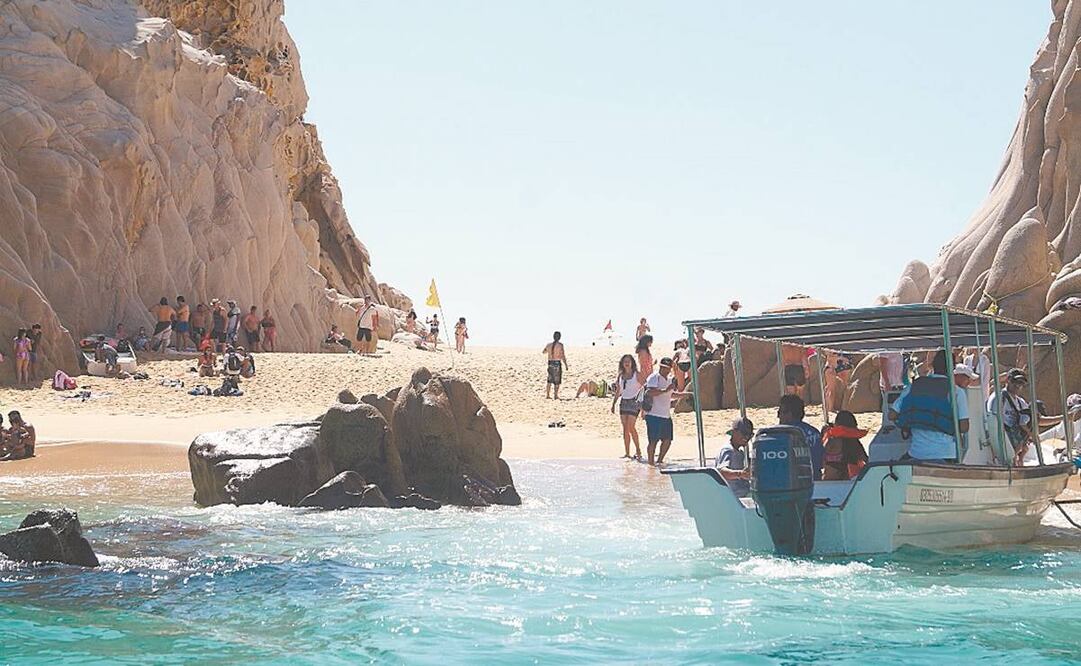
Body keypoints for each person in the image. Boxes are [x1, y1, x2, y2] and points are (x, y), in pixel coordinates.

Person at [889, 350, 969, 463]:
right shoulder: (956, 391)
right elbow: (964, 427)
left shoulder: (914, 386)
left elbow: (891, 415)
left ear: (933, 366)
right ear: (953, 368)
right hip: (946, 454)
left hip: (917, 453)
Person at [643, 357, 691, 465]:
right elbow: (650, 392)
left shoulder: (669, 380)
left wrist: (685, 395)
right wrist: (665, 390)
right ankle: (651, 463)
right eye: (662, 367)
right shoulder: (654, 377)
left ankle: (660, 460)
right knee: (653, 441)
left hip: (666, 415)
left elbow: (670, 395)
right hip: (653, 415)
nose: (664, 370)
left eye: (666, 368)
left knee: (667, 440)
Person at [986, 368, 1033, 466]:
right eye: (1015, 382)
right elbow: (992, 423)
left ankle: (1017, 460)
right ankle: (1011, 460)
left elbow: (1033, 421)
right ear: (1007, 380)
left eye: (1021, 384)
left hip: (1015, 438)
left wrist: (1062, 418)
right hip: (1003, 438)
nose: (1018, 386)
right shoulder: (998, 398)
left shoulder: (1021, 402)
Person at [778, 394, 826, 480]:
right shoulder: (814, 432)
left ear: (789, 414)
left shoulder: (783, 434)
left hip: (792, 484)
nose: (778, 416)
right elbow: (821, 462)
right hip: (815, 481)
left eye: (780, 412)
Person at [611, 354, 643, 460]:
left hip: (634, 401)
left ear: (632, 363)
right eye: (625, 361)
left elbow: (645, 387)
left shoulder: (636, 374)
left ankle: (638, 450)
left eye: (628, 361)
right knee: (625, 428)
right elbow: (619, 390)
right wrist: (614, 403)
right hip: (624, 402)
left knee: (631, 426)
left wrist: (642, 403)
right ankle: (627, 452)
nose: (627, 363)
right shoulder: (621, 376)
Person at [821, 411, 869, 481]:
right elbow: (866, 460)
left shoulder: (829, 441)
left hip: (829, 480)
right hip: (850, 481)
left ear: (836, 424)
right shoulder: (855, 443)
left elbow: (821, 461)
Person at [714, 417, 754, 497]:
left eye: (749, 435)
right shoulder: (728, 450)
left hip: (745, 492)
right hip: (735, 496)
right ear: (734, 433)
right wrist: (740, 474)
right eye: (744, 434)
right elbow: (722, 472)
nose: (747, 437)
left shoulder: (741, 452)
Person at [1040, 393, 1081, 459]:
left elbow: (1078, 441)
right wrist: (1039, 438)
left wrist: (1065, 449)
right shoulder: (1069, 421)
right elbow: (1057, 431)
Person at [543, 331, 568, 399]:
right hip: (557, 363)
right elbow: (562, 355)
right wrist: (566, 364)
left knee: (549, 379)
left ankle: (547, 395)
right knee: (557, 380)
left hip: (550, 363)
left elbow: (544, 352)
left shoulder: (549, 345)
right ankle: (555, 395)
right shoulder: (560, 345)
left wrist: (549, 352)